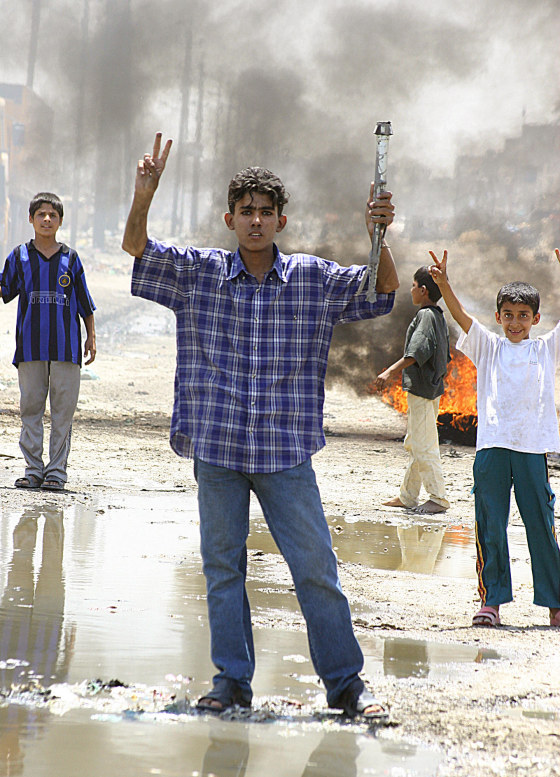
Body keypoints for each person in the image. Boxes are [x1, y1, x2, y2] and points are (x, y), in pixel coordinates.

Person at [122, 133, 399, 718]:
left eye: (265, 212)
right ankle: (231, 684)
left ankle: (347, 686)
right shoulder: (199, 273)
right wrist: (143, 194)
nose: (255, 220)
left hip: (285, 452)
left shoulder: (312, 279)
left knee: (316, 571)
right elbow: (137, 250)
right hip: (217, 448)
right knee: (223, 571)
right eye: (245, 211)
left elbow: (380, 291)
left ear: (281, 220)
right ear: (230, 218)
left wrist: (381, 236)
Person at [429, 249, 560, 628]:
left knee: (541, 523)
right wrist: (443, 284)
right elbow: (461, 317)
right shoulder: (490, 346)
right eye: (508, 315)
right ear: (498, 317)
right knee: (490, 524)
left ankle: (554, 602)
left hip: (532, 449)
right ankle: (492, 602)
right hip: (492, 449)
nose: (515, 322)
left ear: (536, 319)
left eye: (523, 316)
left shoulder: (545, 348)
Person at [0, 192, 96, 491]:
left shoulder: (71, 258)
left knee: (62, 411)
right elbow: (4, 290)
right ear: (30, 219)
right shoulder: (19, 257)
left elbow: (84, 303)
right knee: (30, 408)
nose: (46, 219)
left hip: (66, 349)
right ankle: (33, 470)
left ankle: (56, 472)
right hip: (29, 348)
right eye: (41, 214)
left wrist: (91, 336)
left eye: (52, 215)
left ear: (60, 221)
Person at [375, 266, 450, 514]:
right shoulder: (437, 315)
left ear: (423, 290)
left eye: (413, 285)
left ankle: (438, 498)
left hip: (423, 390)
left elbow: (417, 352)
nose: (411, 290)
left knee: (423, 445)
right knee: (416, 441)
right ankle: (408, 496)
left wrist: (388, 372)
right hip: (430, 388)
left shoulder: (427, 316)